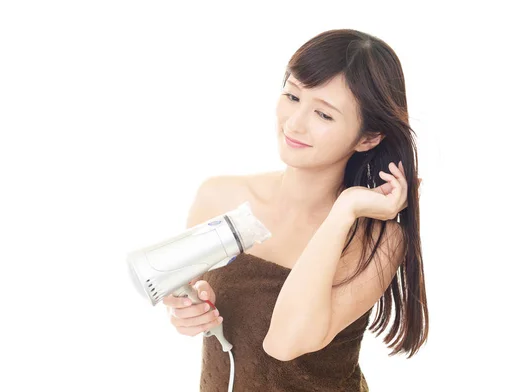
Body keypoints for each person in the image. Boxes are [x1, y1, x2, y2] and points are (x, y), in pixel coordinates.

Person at [163, 28, 429, 391]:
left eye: (324, 115)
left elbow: (284, 342)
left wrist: (344, 211)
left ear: (368, 137)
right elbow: (183, 295)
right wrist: (186, 312)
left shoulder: (377, 238)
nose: (295, 122)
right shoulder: (218, 198)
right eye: (292, 95)